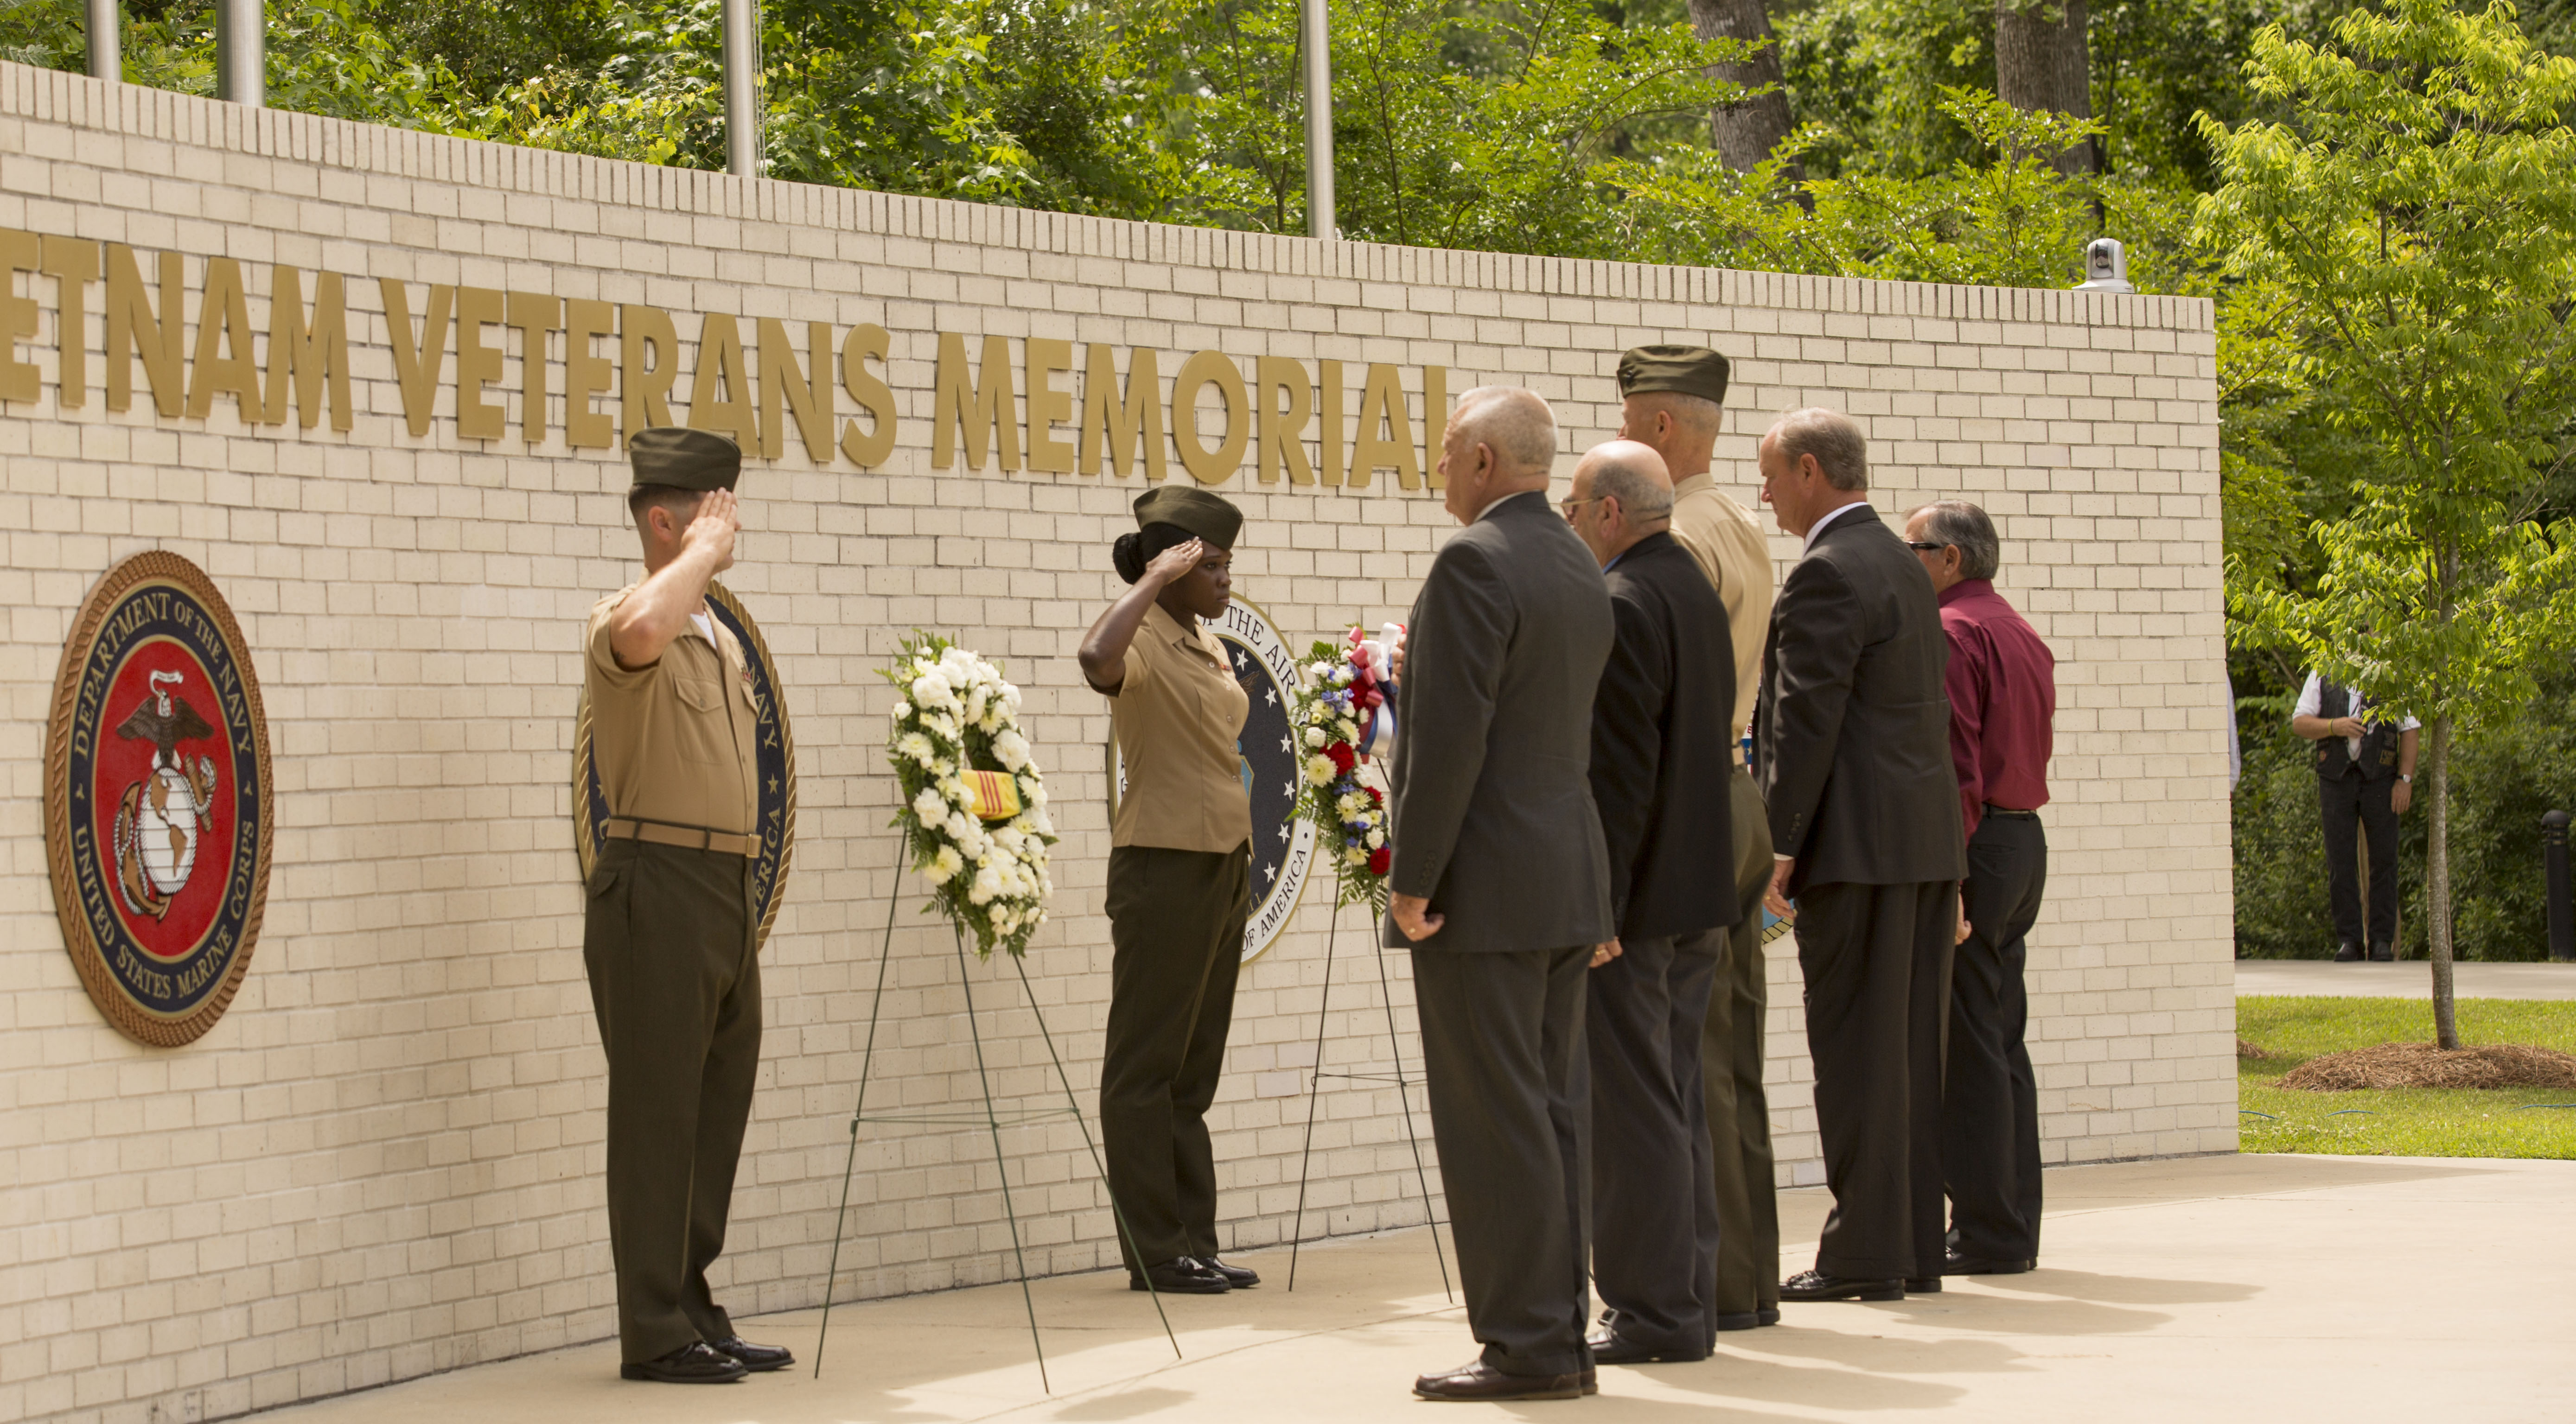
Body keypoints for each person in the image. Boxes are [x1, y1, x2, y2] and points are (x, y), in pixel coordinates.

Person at [1386, 386, 1615, 1402]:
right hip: (1564, 881)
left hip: (1484, 890)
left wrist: (1413, 878)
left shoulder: (1473, 562)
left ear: (1482, 460)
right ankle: (1558, 1329)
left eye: (1444, 453)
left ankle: (1526, 1343)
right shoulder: (1576, 559)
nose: (1437, 470)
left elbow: (1446, 744)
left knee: (1495, 1123)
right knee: (1554, 1113)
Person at [581, 427, 793, 1384]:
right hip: (655, 884)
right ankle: (652, 1327)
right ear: (664, 521)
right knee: (658, 1112)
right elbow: (637, 634)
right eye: (714, 510)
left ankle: (693, 1303)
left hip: (722, 888)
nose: (732, 525)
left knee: (716, 1107)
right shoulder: (630, 621)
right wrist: (698, 558)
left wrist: (704, 572)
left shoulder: (716, 639)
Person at [1753, 408, 1965, 1303]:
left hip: (1858, 849)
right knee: (1911, 1054)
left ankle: (1863, 1254)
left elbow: (1806, 722)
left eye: (1769, 476)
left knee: (1856, 1055)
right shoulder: (1904, 566)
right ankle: (1909, 1243)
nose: (1763, 494)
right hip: (1919, 846)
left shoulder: (1828, 573)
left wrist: (1777, 846)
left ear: (1810, 471)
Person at [1615, 343, 1781, 1333]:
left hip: (1691, 800)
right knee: (1733, 1047)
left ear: (1664, 426)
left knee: (1692, 1052)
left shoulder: (1675, 536)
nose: (1622, 439)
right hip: (1735, 787)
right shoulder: (1741, 524)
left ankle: (1709, 1281)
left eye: (1630, 421)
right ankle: (1746, 1277)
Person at [1565, 440, 1740, 1365]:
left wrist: (1603, 908)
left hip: (1641, 905)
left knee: (1635, 1112)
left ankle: (1652, 1310)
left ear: (1608, 512)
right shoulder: (1693, 590)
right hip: (1695, 892)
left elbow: (1623, 776)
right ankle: (1684, 1299)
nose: (1566, 522)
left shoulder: (1625, 600)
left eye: (1571, 505)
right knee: (1674, 1104)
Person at [1076, 487, 1262, 1296]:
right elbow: (1095, 660)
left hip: (1221, 859)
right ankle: (1155, 1247)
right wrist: (1151, 582)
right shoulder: (1145, 633)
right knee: (1144, 1066)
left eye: (1227, 564)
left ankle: (1194, 1238)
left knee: (1193, 1068)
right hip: (1162, 861)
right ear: (1172, 566)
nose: (1225, 578)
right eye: (1210, 565)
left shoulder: (1203, 641)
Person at [1905, 500, 2056, 1278]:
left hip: (1978, 844)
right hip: (2021, 835)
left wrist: (1954, 875)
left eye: (1914, 548)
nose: (1905, 562)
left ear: (1951, 559)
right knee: (1999, 1037)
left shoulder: (1954, 632)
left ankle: (1987, 1230)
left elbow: (1957, 760)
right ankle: (2011, 1222)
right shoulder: (2020, 631)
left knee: (1969, 1045)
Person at [2291, 671, 2418, 961]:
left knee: (2384, 859)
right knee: (2340, 860)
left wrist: (2405, 780)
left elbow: (2410, 729)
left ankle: (2382, 940)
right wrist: (2336, 726)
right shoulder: (2323, 672)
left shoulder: (2390, 674)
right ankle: (2349, 939)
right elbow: (2300, 722)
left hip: (2381, 779)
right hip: (2336, 778)